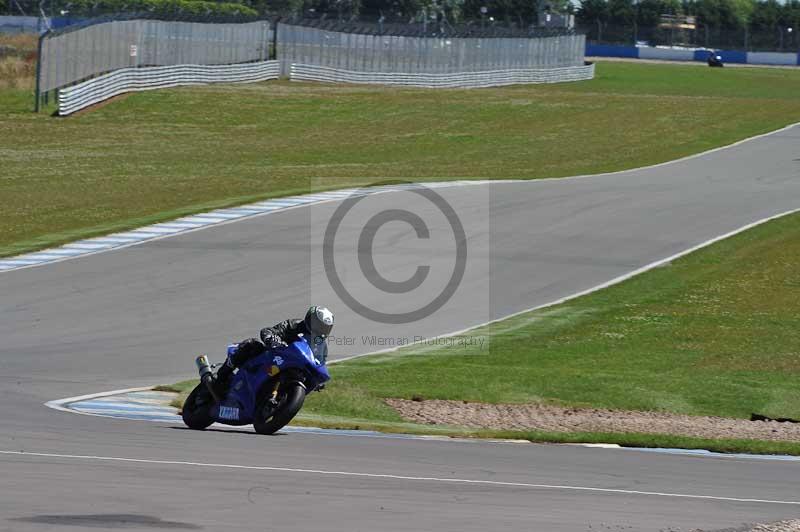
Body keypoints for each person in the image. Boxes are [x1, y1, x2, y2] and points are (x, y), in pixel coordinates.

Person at [213, 306, 334, 396]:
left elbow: (320, 362)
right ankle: (221, 376)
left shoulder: (321, 346)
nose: (321, 330)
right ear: (310, 320)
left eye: (325, 328)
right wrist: (275, 341)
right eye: (319, 326)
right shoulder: (294, 325)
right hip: (274, 356)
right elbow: (268, 331)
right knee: (251, 344)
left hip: (294, 368)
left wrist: (318, 380)